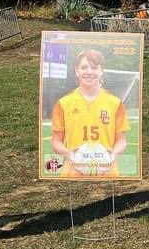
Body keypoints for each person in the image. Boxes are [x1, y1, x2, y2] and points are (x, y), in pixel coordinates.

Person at [51, 49, 129, 177]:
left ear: (101, 70)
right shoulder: (63, 103)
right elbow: (56, 142)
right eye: (84, 67)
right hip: (73, 172)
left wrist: (112, 156)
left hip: (107, 172)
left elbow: (121, 140)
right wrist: (70, 155)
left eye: (94, 67)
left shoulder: (115, 103)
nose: (89, 72)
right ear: (77, 70)